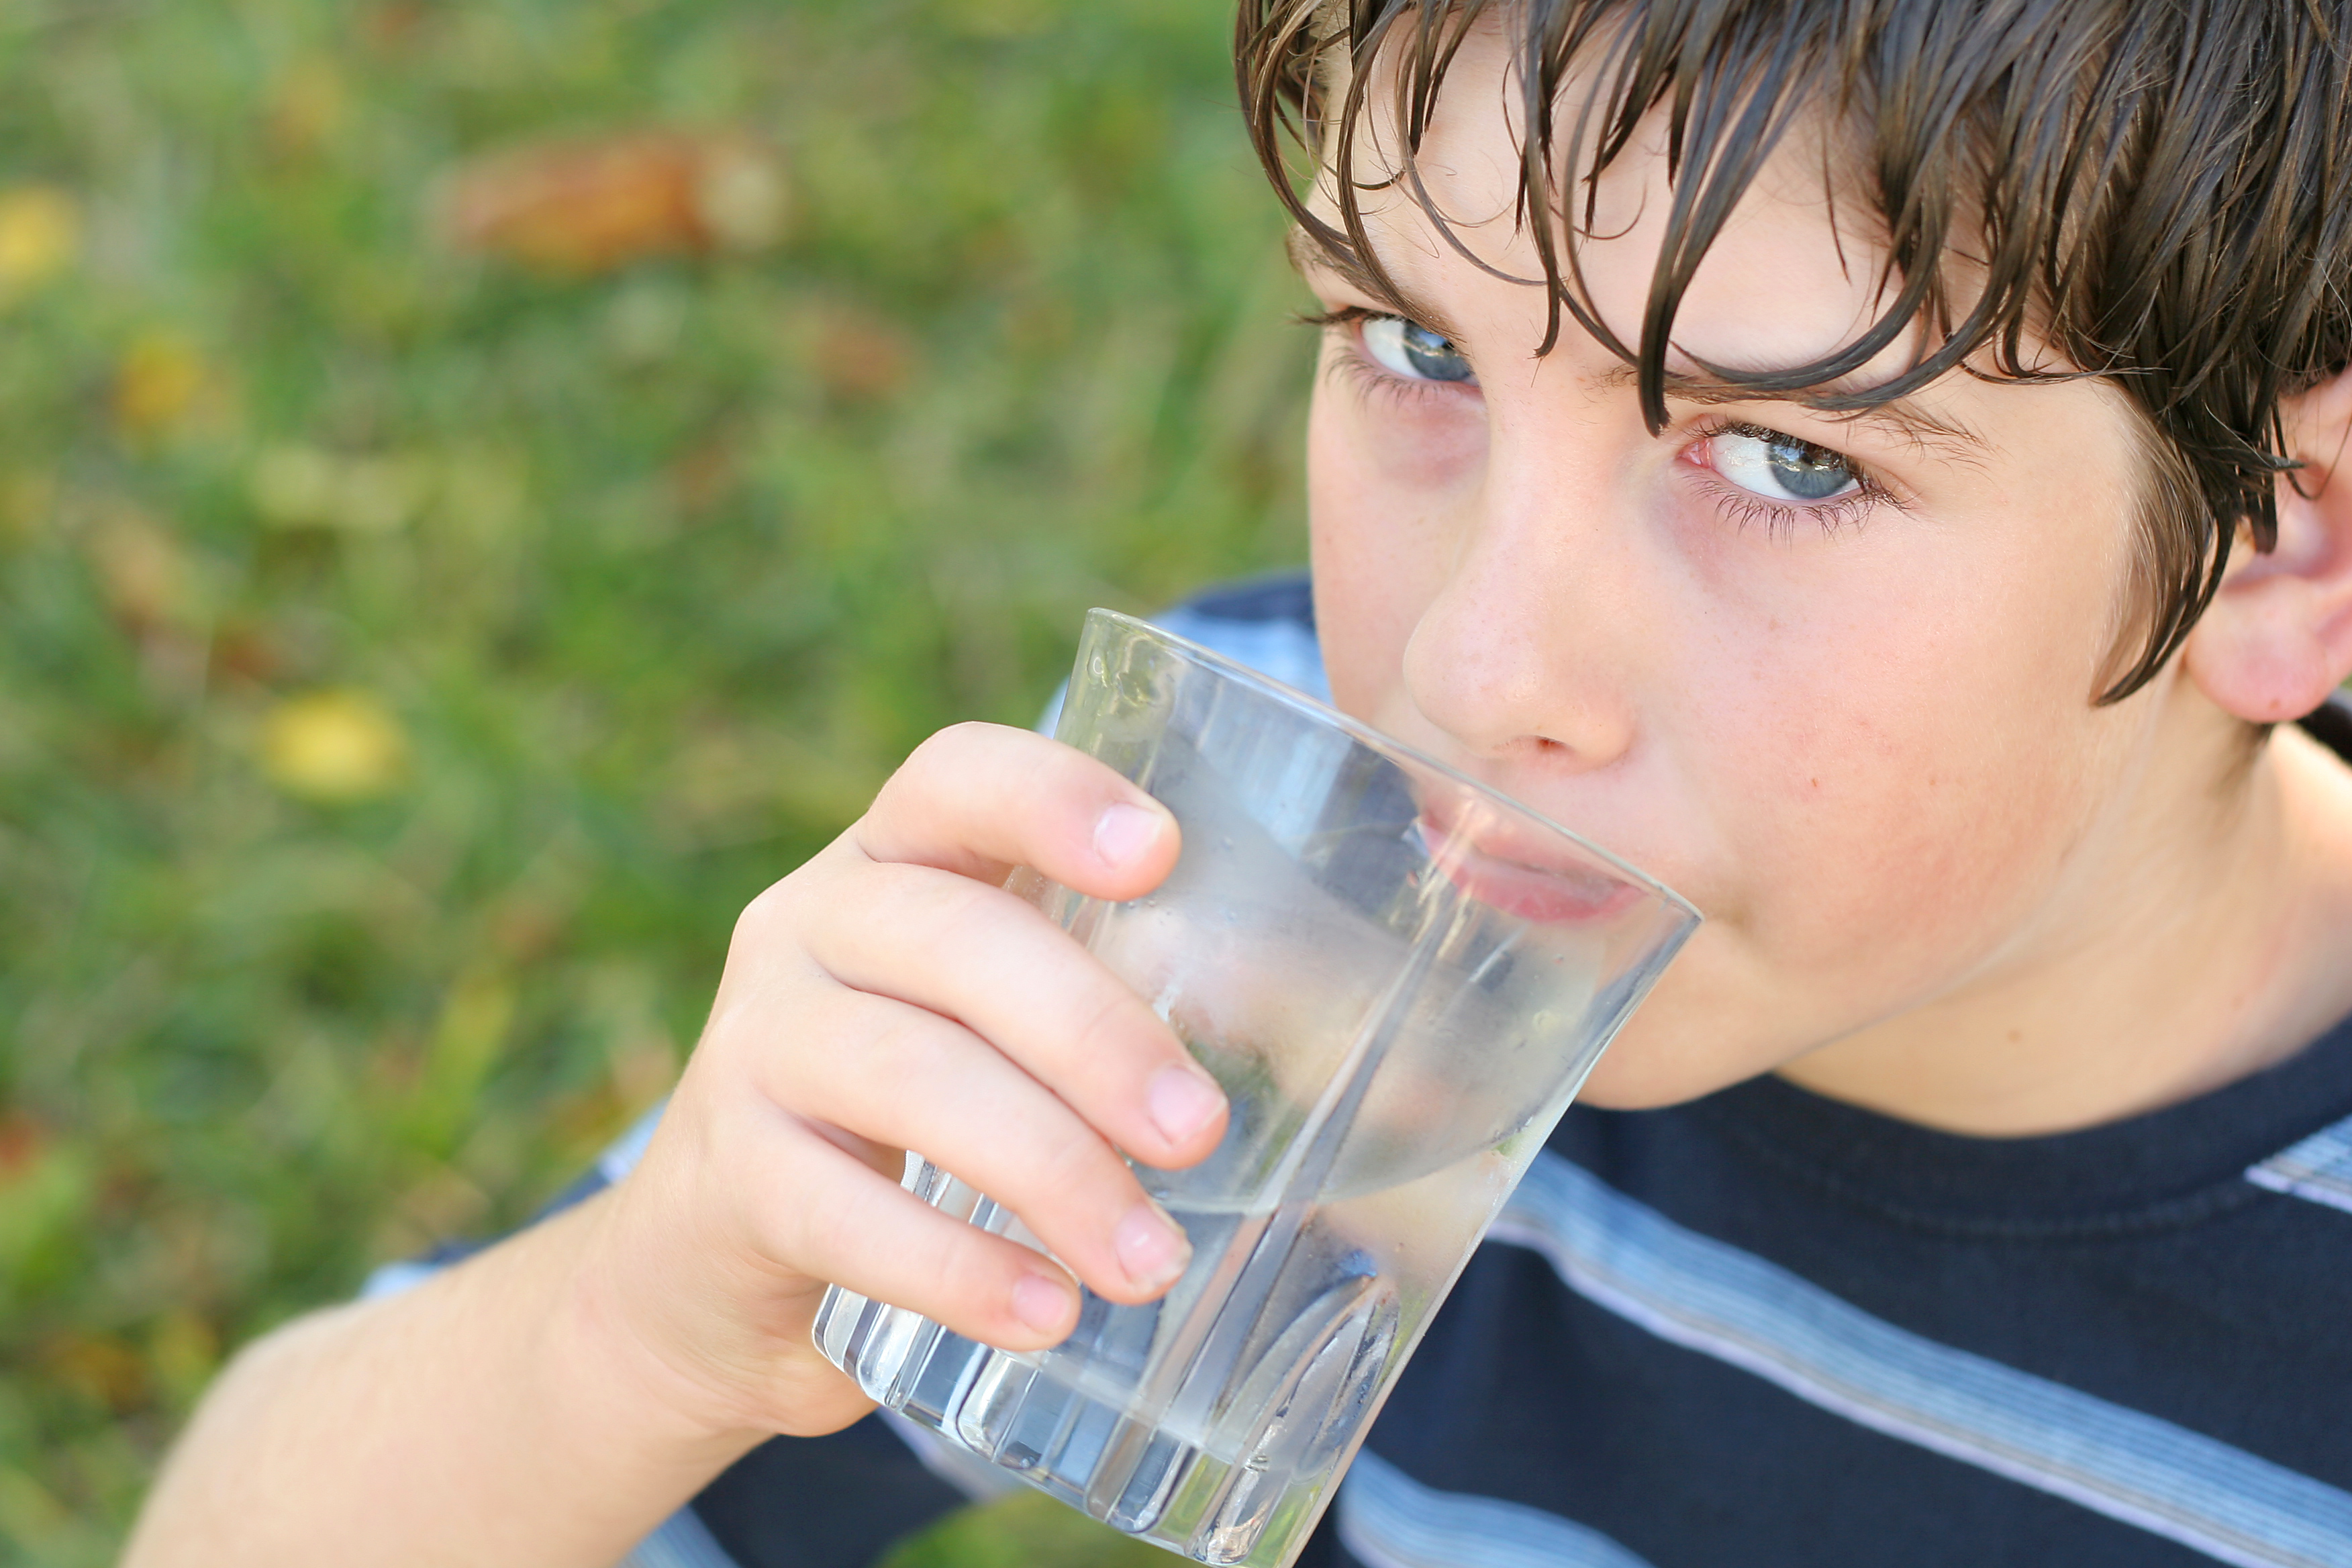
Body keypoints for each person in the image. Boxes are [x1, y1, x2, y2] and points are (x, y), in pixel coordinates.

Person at [122, 1, 2352, 1564]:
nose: (1484, 673)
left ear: (2282, 549)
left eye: (1786, 459)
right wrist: (637, 1317)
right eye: (1412, 349)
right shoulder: (1282, 885)